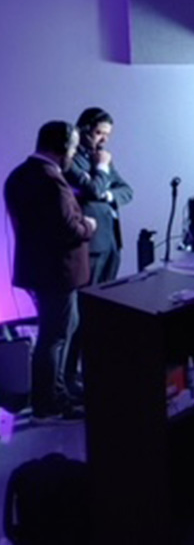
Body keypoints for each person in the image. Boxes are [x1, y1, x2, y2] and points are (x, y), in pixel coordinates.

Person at [4, 121, 97, 421]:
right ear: (63, 147)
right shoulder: (50, 179)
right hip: (59, 271)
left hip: (36, 269)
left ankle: (53, 395)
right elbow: (67, 229)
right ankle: (51, 402)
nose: (74, 154)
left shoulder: (18, 175)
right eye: (73, 147)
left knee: (55, 333)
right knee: (55, 337)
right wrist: (89, 225)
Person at [65, 107, 134, 285]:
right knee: (88, 294)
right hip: (92, 241)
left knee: (107, 293)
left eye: (107, 135)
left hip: (112, 240)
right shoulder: (70, 159)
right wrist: (102, 167)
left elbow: (127, 190)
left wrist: (107, 195)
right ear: (83, 130)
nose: (104, 140)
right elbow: (93, 190)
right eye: (99, 133)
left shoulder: (101, 156)